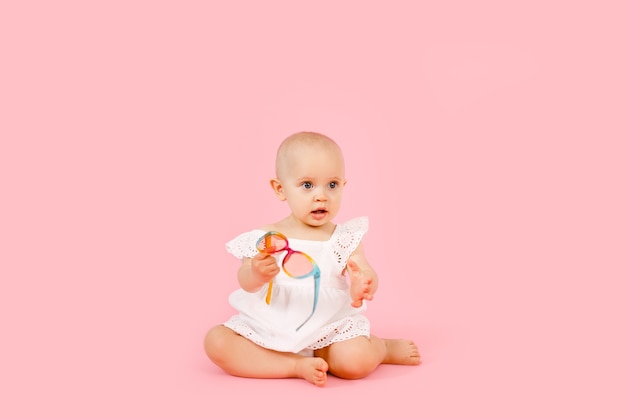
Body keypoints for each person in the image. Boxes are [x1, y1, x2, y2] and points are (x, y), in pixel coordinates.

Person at [204, 131, 421, 386]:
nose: (321, 196)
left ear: (343, 185)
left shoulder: (343, 238)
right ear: (280, 189)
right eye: (307, 185)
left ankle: (382, 347)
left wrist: (363, 282)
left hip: (328, 331)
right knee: (217, 341)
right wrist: (255, 273)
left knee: (355, 361)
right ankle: (294, 366)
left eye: (332, 185)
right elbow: (245, 281)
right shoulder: (266, 238)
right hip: (268, 327)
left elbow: (363, 269)